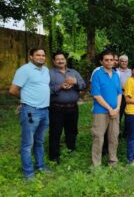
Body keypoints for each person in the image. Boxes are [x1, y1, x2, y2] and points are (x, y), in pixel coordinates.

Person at [9, 47, 50, 179]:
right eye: (38, 55)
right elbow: (13, 90)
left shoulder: (46, 70)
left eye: (43, 55)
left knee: (39, 141)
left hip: (45, 110)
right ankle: (28, 174)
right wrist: (24, 100)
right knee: (27, 144)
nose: (41, 57)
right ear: (31, 57)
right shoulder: (24, 70)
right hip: (31, 111)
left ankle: (41, 167)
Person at [48, 51, 86, 164]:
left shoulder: (73, 72)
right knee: (55, 131)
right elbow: (45, 89)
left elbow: (83, 86)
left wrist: (75, 82)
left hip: (72, 108)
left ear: (66, 60)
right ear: (54, 61)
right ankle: (54, 156)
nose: (60, 61)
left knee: (72, 130)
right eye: (58, 59)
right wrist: (59, 87)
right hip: (57, 108)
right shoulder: (49, 73)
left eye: (62, 59)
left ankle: (71, 149)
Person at [90, 50, 122, 167]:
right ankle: (96, 165)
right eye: (106, 60)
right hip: (101, 112)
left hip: (115, 112)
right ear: (101, 61)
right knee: (98, 138)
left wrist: (117, 108)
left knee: (114, 137)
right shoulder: (97, 74)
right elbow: (96, 95)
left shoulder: (115, 74)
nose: (109, 62)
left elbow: (119, 93)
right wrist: (110, 109)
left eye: (111, 60)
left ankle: (113, 161)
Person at [117, 55, 132, 136]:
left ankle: (126, 133)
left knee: (129, 115)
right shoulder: (116, 71)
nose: (124, 63)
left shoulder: (131, 71)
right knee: (118, 115)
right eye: (122, 61)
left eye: (125, 61)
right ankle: (117, 132)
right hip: (120, 96)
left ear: (127, 62)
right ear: (119, 62)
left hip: (130, 96)